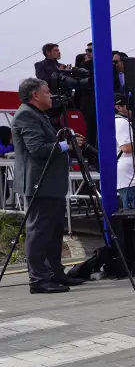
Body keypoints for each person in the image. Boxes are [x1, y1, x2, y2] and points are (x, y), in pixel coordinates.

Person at [11, 78, 84, 294]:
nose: (50, 95)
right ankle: (38, 280)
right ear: (35, 95)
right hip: (39, 184)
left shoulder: (37, 114)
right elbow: (37, 149)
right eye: (47, 91)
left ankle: (55, 273)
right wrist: (65, 145)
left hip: (50, 184)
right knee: (39, 232)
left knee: (53, 232)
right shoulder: (26, 115)